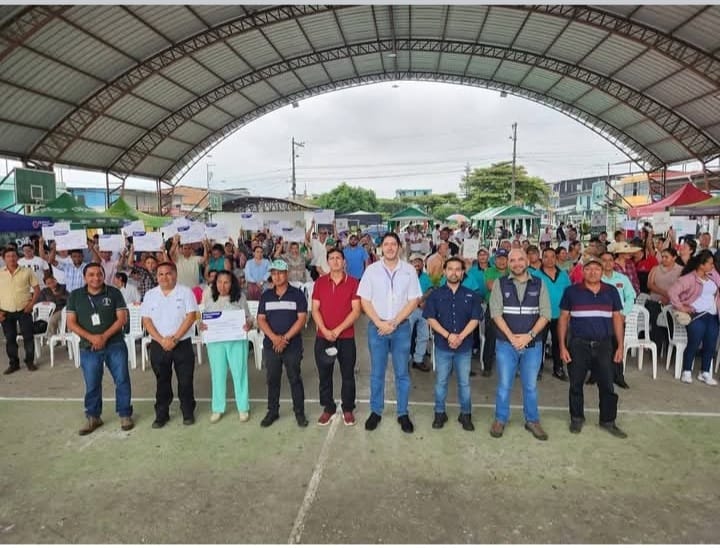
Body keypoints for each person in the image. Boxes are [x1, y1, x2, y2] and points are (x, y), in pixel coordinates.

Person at [358, 232, 421, 434]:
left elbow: (414, 300)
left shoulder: (409, 270)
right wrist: (379, 322)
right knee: (377, 372)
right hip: (377, 328)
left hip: (401, 328)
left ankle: (402, 413)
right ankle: (375, 411)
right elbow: (364, 300)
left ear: (399, 247)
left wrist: (393, 322)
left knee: (402, 373)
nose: (390, 247)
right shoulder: (371, 271)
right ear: (381, 248)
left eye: (394, 244)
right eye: (386, 244)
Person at [558, 257, 627, 438]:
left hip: (604, 345)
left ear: (602, 271)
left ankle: (608, 421)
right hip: (578, 344)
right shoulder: (571, 291)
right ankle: (577, 418)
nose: (593, 272)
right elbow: (563, 318)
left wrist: (620, 346)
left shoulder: (611, 291)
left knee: (607, 385)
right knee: (576, 384)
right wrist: (562, 346)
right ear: (583, 271)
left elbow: (617, 318)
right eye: (588, 268)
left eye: (597, 268)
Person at [488, 249, 551, 440]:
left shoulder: (539, 283)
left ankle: (532, 420)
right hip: (506, 344)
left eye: (520, 259)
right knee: (504, 385)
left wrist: (528, 337)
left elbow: (546, 314)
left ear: (528, 261)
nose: (517, 263)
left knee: (530, 386)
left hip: (532, 346)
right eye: (513, 260)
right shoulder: (500, 283)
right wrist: (512, 338)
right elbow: (495, 313)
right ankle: (500, 419)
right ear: (508, 263)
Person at [66, 262, 133, 435]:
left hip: (115, 344)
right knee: (92, 383)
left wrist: (103, 337)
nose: (96, 278)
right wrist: (92, 338)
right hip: (88, 347)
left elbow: (122, 319)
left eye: (99, 274)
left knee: (122, 379)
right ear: (84, 277)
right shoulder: (75, 295)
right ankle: (93, 416)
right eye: (91, 274)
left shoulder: (114, 292)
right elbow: (71, 323)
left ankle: (125, 414)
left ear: (103, 276)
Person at [423, 257, 483, 431]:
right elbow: (430, 318)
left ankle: (465, 414)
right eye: (450, 269)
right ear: (444, 271)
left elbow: (475, 319)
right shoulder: (435, 295)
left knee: (464, 383)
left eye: (458, 269)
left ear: (463, 272)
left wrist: (460, 337)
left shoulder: (471, 295)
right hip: (443, 347)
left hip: (464, 348)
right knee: (441, 382)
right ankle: (439, 413)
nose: (454, 272)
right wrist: (448, 336)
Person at [141, 262, 199, 428]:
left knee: (185, 380)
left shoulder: (185, 292)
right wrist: (161, 340)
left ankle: (187, 412)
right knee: (162, 381)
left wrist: (175, 339)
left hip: (182, 343)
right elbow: (146, 320)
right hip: (159, 345)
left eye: (168, 273)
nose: (165, 277)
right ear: (156, 276)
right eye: (161, 274)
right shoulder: (150, 295)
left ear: (175, 274)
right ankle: (162, 414)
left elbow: (191, 316)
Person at [311, 248, 362, 426]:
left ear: (344, 261)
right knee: (324, 374)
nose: (335, 261)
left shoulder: (353, 283)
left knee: (347, 374)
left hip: (346, 337)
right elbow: (315, 309)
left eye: (338, 258)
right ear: (327, 262)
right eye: (331, 258)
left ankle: (348, 408)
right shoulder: (320, 283)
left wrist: (338, 330)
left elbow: (356, 311)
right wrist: (325, 330)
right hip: (323, 336)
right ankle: (328, 407)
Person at [256, 259, 309, 427]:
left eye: (280, 273)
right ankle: (272, 411)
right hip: (271, 345)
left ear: (287, 274)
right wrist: (274, 338)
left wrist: (284, 338)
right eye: (273, 273)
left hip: (292, 345)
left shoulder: (297, 294)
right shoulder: (266, 296)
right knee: (272, 379)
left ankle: (299, 413)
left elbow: (301, 319)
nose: (276, 276)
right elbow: (261, 319)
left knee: (295, 378)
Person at [200, 270, 254, 423]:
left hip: (236, 341)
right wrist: (202, 325)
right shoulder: (210, 298)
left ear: (232, 284)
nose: (222, 286)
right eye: (219, 282)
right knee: (218, 375)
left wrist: (249, 324)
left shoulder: (240, 297)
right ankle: (217, 408)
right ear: (215, 283)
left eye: (226, 282)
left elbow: (249, 317)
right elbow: (203, 319)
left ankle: (243, 407)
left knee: (239, 373)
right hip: (215, 343)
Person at [668, 250, 720, 385]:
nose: (713, 266)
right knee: (694, 343)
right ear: (701, 265)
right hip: (697, 315)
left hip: (712, 315)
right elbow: (672, 292)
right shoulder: (689, 278)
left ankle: (705, 372)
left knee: (710, 344)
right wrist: (681, 307)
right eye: (710, 263)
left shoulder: (713, 276)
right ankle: (686, 371)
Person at [532, 248, 571, 381]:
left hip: (560, 315)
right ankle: (537, 368)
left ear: (556, 258)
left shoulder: (563, 275)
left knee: (559, 342)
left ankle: (558, 369)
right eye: (546, 257)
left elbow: (568, 294)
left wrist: (569, 312)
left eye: (552, 256)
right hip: (541, 315)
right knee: (539, 343)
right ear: (542, 258)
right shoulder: (535, 275)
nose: (549, 260)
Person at [599, 251, 636, 389]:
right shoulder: (596, 278)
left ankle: (618, 377)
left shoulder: (622, 278)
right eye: (604, 260)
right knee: (598, 348)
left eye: (610, 260)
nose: (607, 263)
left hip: (617, 319)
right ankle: (595, 375)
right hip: (600, 319)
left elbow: (631, 297)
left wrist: (624, 313)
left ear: (614, 262)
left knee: (617, 347)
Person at [0, 247, 40, 373]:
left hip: (24, 310)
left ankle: (30, 361)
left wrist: (31, 304)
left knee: (28, 337)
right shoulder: (0, 273)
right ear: (4, 259)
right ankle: (14, 364)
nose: (11, 258)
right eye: (8, 256)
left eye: (13, 256)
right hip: (5, 311)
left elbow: (37, 289)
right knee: (10, 338)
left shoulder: (27, 271)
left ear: (17, 257)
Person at [646, 248, 682, 352]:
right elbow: (650, 284)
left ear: (674, 257)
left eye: (667, 257)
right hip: (655, 301)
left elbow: (681, 287)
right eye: (662, 257)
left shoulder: (680, 270)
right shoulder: (656, 269)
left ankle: (671, 349)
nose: (664, 259)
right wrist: (665, 293)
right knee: (655, 318)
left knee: (672, 320)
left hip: (672, 303)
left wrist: (669, 297)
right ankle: (655, 348)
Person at [482, 248, 510, 377]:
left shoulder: (512, 270)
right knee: (491, 337)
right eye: (499, 258)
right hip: (493, 307)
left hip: (510, 308)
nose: (501, 261)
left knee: (510, 337)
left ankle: (510, 365)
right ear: (495, 260)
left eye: (504, 258)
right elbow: (490, 286)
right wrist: (509, 284)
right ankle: (487, 366)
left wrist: (499, 284)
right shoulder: (489, 271)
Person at [408, 253, 433, 372]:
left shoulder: (426, 277)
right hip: (409, 310)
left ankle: (418, 360)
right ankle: (405, 360)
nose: (417, 264)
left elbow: (430, 289)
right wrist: (418, 302)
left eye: (419, 261)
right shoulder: (406, 276)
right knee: (406, 336)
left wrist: (424, 299)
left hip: (423, 310)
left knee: (424, 335)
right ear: (410, 263)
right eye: (414, 261)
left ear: (423, 264)